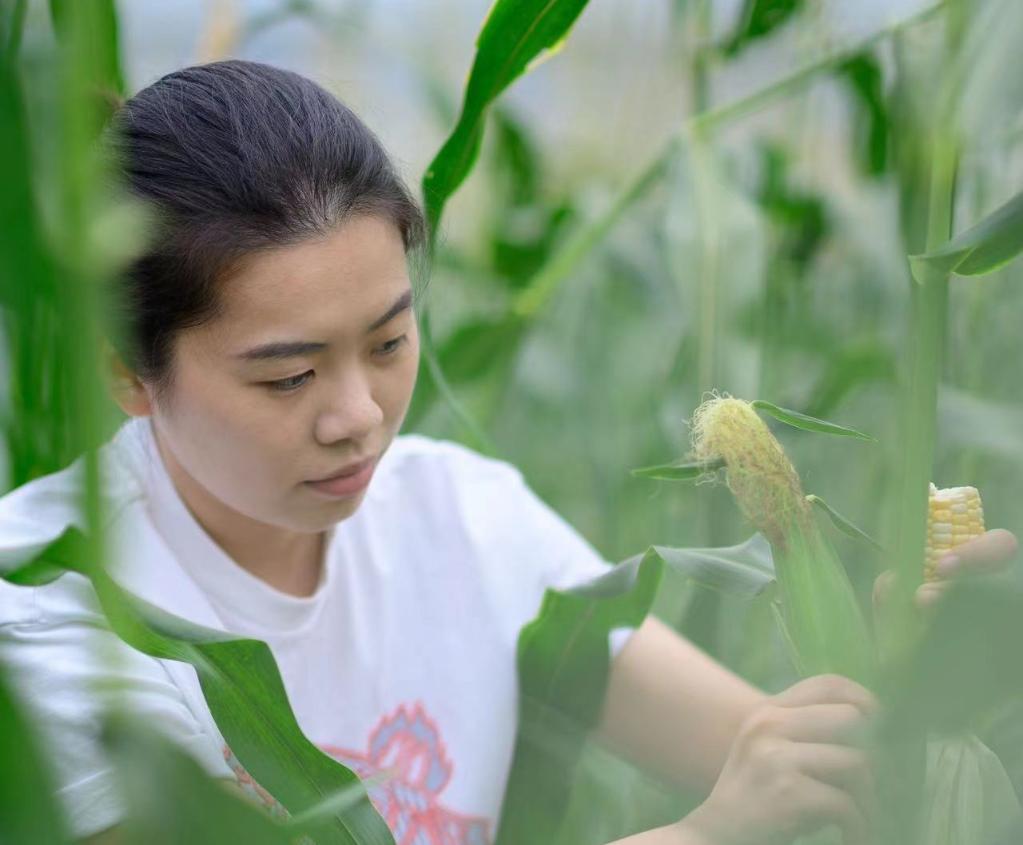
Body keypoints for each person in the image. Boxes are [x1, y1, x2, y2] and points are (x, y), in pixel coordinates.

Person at [0, 60, 1015, 845]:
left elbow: (798, 772)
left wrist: (926, 680)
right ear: (128, 372)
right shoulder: (49, 610)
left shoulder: (461, 513)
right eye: (288, 376)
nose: (359, 415)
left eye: (390, 342)